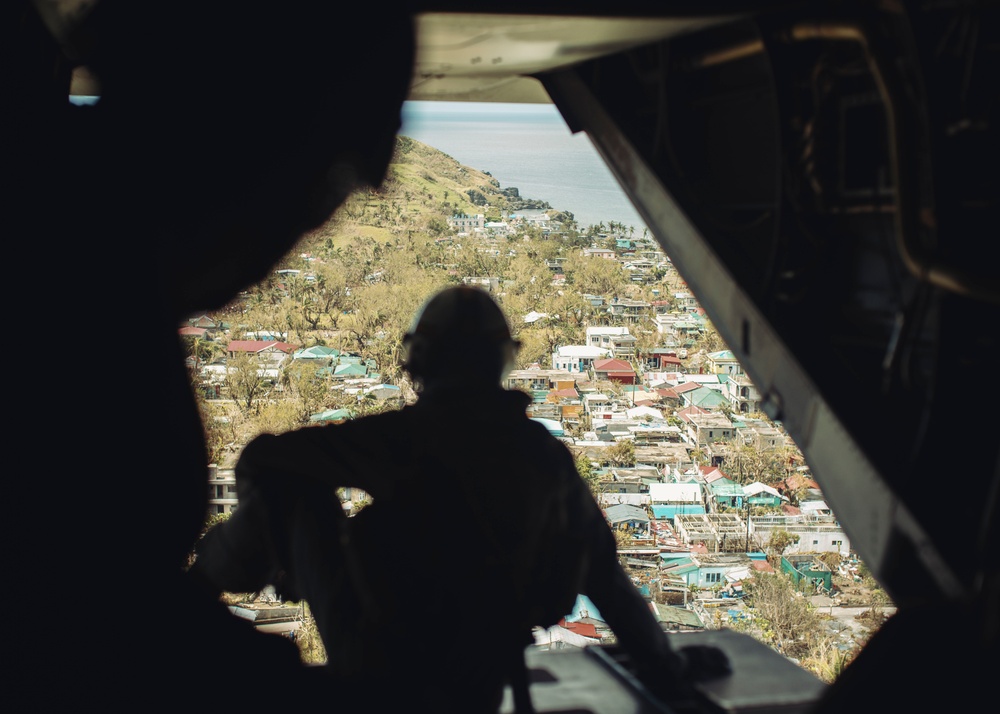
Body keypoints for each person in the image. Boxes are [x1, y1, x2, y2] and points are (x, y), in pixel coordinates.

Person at [191, 286, 715, 712]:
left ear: (420, 358)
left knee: (295, 489)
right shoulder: (542, 454)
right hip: (483, 678)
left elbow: (263, 460)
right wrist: (667, 671)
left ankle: (191, 598)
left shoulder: (404, 438)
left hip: (376, 664)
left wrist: (280, 559)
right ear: (501, 362)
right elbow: (606, 577)